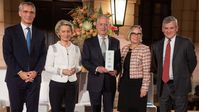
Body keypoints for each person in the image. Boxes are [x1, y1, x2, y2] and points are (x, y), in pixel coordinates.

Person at [2, 2, 46, 112]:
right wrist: (20, 72)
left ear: (35, 14)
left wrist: (36, 71)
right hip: (15, 79)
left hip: (34, 79)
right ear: (20, 13)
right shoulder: (10, 32)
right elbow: (8, 55)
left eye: (31, 12)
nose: (29, 15)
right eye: (25, 11)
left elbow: (43, 55)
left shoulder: (40, 34)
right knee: (16, 109)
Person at [151, 16, 197, 112]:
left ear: (177, 28)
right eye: (166, 28)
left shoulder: (186, 43)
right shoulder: (156, 46)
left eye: (171, 28)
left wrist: (183, 75)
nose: (169, 31)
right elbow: (155, 66)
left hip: (181, 85)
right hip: (163, 86)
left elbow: (192, 62)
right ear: (162, 29)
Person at [82, 15, 121, 112]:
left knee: (109, 110)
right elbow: (85, 61)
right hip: (95, 82)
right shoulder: (88, 42)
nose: (103, 27)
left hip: (110, 82)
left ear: (109, 26)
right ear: (96, 26)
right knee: (95, 109)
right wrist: (96, 69)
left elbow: (119, 62)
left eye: (106, 24)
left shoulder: (115, 42)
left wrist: (116, 70)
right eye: (101, 24)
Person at [44, 20, 81, 112]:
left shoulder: (76, 48)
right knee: (55, 109)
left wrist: (75, 69)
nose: (66, 34)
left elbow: (79, 65)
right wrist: (62, 71)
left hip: (72, 83)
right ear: (58, 33)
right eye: (63, 31)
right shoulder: (53, 48)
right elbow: (47, 67)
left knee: (70, 109)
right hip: (56, 84)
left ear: (72, 33)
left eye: (68, 31)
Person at [117, 25, 151, 112]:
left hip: (137, 85)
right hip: (125, 84)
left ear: (141, 36)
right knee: (124, 109)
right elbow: (121, 67)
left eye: (138, 34)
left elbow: (147, 72)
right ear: (129, 35)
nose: (136, 36)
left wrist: (144, 88)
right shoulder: (124, 49)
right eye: (134, 33)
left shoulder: (145, 49)